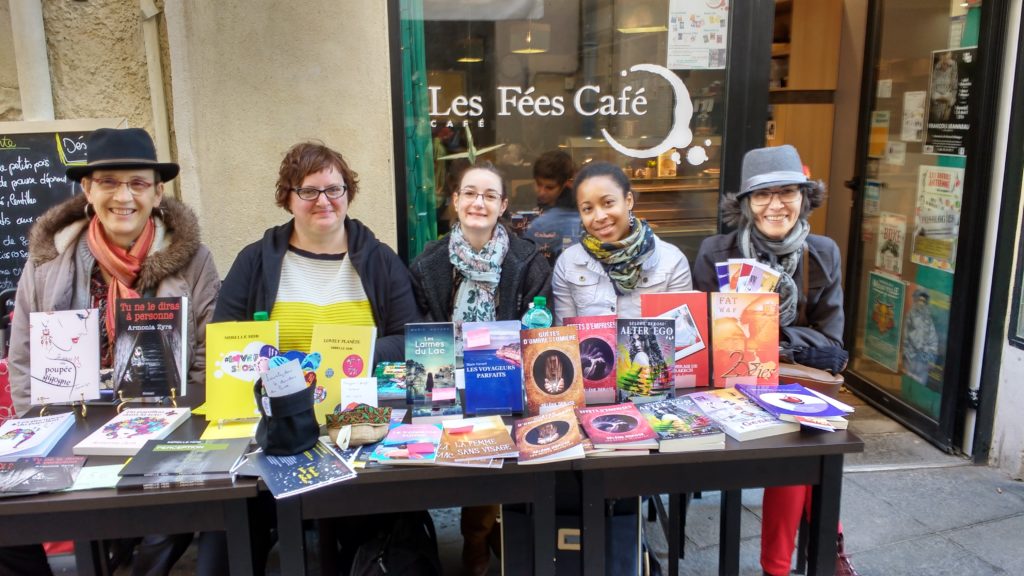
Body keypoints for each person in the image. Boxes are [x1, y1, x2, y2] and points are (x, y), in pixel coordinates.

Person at [5, 127, 220, 575]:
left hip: (165, 420)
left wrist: (175, 419)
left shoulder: (194, 259)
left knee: (179, 504)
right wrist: (38, 439)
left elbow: (206, 353)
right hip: (69, 423)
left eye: (138, 183)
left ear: (158, 193)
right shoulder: (47, 261)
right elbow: (24, 356)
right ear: (87, 189)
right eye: (108, 182)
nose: (123, 196)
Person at [692, 144, 857, 576]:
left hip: (796, 384)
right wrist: (790, 341)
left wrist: (763, 336)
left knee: (801, 444)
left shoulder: (822, 253)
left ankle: (780, 566)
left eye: (787, 192)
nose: (776, 205)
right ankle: (824, 546)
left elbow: (833, 346)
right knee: (803, 451)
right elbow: (708, 337)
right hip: (731, 386)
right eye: (763, 195)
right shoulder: (716, 253)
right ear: (745, 204)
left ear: (805, 197)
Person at [409, 161, 551, 576]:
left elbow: (542, 333)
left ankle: (477, 538)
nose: (478, 202)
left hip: (507, 381)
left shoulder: (528, 261)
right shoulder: (428, 263)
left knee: (498, 440)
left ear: (503, 205)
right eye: (470, 193)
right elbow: (419, 330)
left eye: (490, 195)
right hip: (444, 378)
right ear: (455, 201)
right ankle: (468, 534)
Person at [214, 141, 420, 361]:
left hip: (357, 394)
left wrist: (354, 355)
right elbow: (224, 341)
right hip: (278, 394)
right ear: (288, 198)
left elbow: (409, 338)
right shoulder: (255, 261)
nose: (323, 201)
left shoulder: (380, 260)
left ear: (347, 194)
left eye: (333, 189)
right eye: (309, 191)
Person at [551, 161, 692, 324]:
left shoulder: (671, 261)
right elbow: (566, 338)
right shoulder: (568, 263)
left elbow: (682, 340)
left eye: (608, 203)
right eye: (588, 209)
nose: (599, 216)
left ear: (628, 200)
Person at [522, 150, 582, 266]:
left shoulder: (540, 225)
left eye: (549, 187)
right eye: (539, 184)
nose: (541, 192)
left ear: (567, 184)